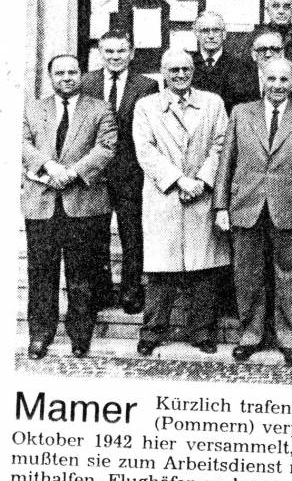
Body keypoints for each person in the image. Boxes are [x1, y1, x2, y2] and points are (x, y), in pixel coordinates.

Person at [214, 57, 292, 367]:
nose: (278, 85)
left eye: (284, 79)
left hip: (291, 206)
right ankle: (250, 335)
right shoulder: (241, 112)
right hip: (246, 204)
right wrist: (221, 205)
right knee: (246, 273)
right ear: (262, 80)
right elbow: (226, 162)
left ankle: (288, 338)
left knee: (289, 274)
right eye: (272, 79)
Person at [132, 50, 229, 356]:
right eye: (173, 69)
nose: (180, 75)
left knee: (204, 269)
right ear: (162, 72)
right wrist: (178, 180)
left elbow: (221, 145)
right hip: (164, 195)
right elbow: (145, 150)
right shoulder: (146, 106)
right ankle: (152, 331)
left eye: (185, 69)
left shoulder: (213, 103)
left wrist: (201, 180)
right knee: (161, 269)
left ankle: (203, 332)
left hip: (202, 194)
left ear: (193, 72)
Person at [22, 54, 116, 358]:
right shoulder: (33, 108)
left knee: (82, 274)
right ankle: (40, 334)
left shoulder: (100, 108)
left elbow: (106, 147)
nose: (66, 78)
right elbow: (21, 143)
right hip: (42, 202)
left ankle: (80, 335)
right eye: (60, 73)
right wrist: (49, 166)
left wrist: (73, 172)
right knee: (41, 273)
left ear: (81, 75)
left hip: (83, 202)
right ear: (51, 77)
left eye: (72, 72)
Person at [81, 28, 157, 314]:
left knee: (132, 234)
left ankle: (131, 290)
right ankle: (100, 291)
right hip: (95, 173)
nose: (115, 56)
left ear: (131, 53)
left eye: (121, 50)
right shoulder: (86, 82)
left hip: (130, 172)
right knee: (95, 234)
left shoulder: (147, 85)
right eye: (109, 51)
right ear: (100, 53)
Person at [190, 11, 246, 114]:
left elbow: (248, 109)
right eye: (205, 31)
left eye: (216, 30)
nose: (211, 36)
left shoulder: (241, 66)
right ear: (197, 34)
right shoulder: (187, 65)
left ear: (224, 34)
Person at [228, 28, 286, 107]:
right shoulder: (237, 84)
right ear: (254, 54)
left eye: (274, 49)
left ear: (282, 54)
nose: (268, 54)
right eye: (262, 50)